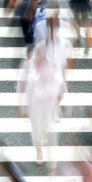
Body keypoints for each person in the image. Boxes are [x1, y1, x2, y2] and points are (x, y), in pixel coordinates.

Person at [18, 14, 71, 170]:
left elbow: (61, 73)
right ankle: (39, 150)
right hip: (36, 97)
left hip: (50, 94)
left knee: (49, 122)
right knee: (36, 125)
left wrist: (61, 94)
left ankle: (45, 142)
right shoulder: (38, 52)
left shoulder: (62, 46)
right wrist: (21, 104)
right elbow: (24, 79)